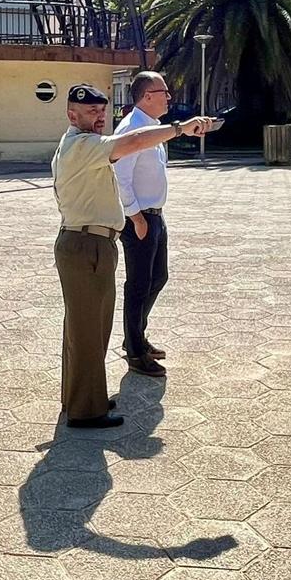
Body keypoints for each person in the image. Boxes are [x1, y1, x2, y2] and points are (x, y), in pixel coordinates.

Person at [52, 84, 211, 428]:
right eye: (90, 113)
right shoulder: (83, 146)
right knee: (88, 330)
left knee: (86, 329)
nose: (98, 119)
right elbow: (135, 142)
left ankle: (81, 398)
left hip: (89, 243)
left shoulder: (83, 145)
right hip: (86, 245)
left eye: (101, 112)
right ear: (71, 115)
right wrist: (181, 128)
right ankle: (85, 411)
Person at [114, 71, 174, 378]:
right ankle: (135, 351)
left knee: (158, 277)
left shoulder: (152, 127)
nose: (169, 97)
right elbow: (120, 177)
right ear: (147, 96)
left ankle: (135, 334)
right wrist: (135, 217)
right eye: (164, 92)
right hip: (139, 218)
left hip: (155, 215)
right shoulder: (132, 129)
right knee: (138, 285)